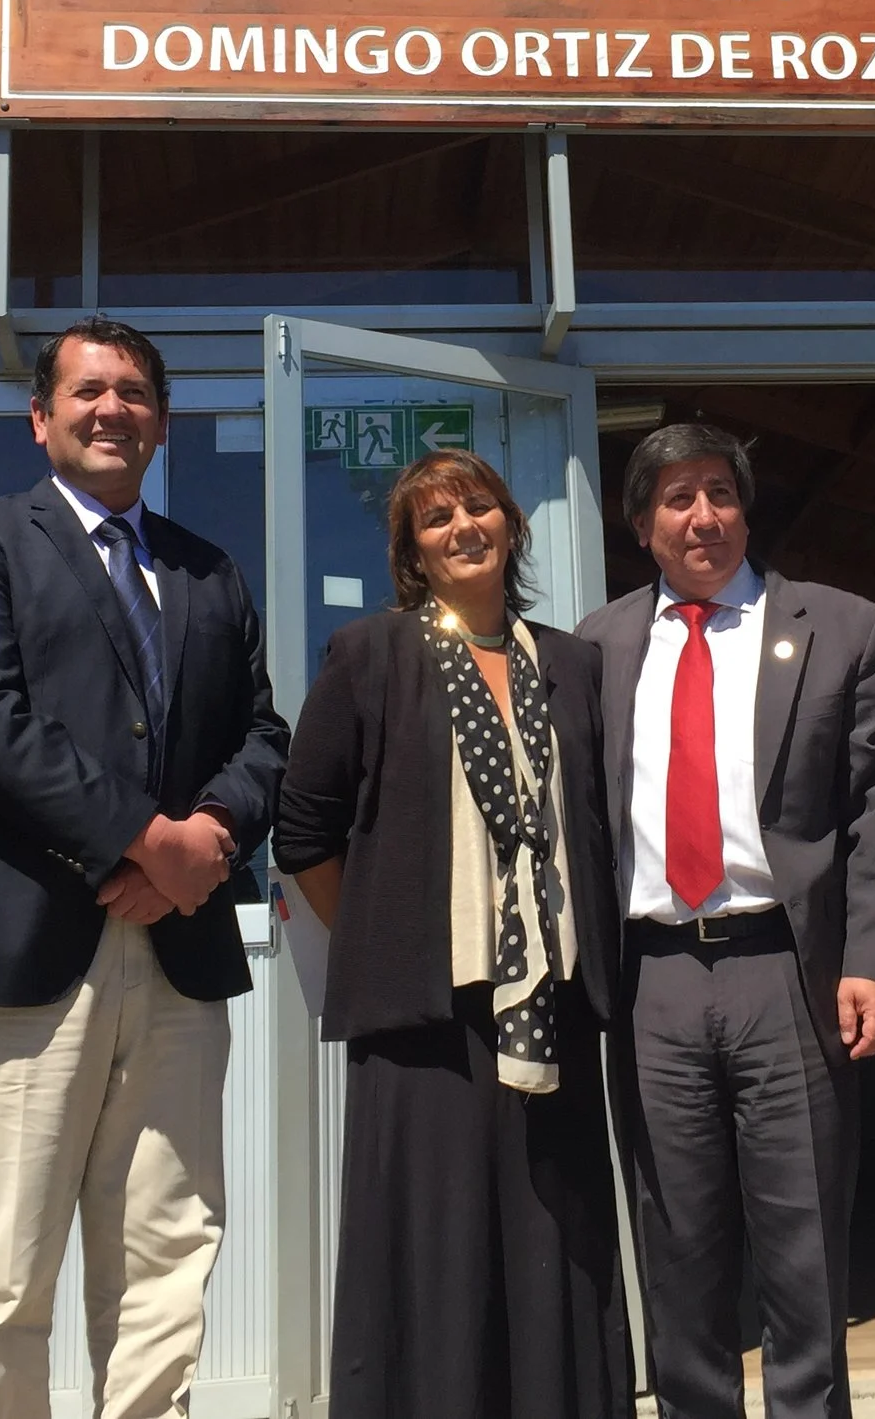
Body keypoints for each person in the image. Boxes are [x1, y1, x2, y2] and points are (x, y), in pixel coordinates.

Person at [0, 316, 288, 1419]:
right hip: (18, 948)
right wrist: (143, 839)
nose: (111, 408)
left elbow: (263, 735)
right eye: (87, 390)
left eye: (133, 393)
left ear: (161, 424)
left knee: (168, 1251)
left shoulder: (208, 572)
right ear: (41, 417)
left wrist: (205, 840)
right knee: (2, 1271)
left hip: (177, 953)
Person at [274, 449, 630, 1419]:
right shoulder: (372, 657)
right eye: (435, 520)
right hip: (423, 1021)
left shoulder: (570, 663)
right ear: (412, 554)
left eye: (479, 507)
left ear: (511, 526)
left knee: (552, 1244)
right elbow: (303, 830)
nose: (462, 527)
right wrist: (385, 943)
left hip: (548, 1008)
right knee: (434, 1253)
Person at [576, 421, 875, 1419]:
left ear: (744, 508)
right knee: (678, 1245)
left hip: (789, 970)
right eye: (676, 499)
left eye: (719, 493)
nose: (702, 517)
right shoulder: (595, 648)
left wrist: (873, 963)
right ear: (642, 525)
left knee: (804, 1246)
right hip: (653, 981)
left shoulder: (840, 628)